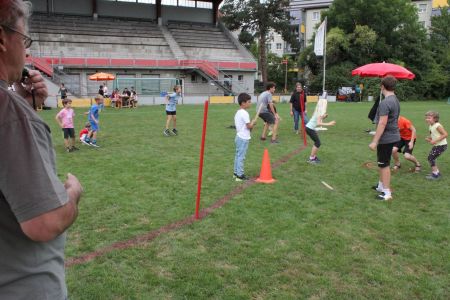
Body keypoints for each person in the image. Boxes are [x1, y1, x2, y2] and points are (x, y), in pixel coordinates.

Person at [0, 1, 83, 298]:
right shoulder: (8, 112)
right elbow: (44, 223)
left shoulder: (12, 107)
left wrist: (21, 101)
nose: (27, 52)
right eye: (24, 40)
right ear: (2, 39)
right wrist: (72, 193)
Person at [369, 75, 400, 201]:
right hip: (392, 136)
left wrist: (374, 141)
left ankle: (387, 193)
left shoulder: (386, 102)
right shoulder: (395, 99)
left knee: (384, 164)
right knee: (382, 163)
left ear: (382, 86)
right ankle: (381, 186)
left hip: (386, 138)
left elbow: (382, 123)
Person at [234, 93, 256, 181]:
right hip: (243, 138)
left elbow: (246, 126)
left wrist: (251, 124)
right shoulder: (244, 113)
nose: (250, 103)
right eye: (249, 102)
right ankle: (240, 175)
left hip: (239, 137)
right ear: (243, 103)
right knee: (241, 157)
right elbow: (249, 127)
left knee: (238, 155)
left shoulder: (238, 112)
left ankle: (236, 173)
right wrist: (253, 123)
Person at [424, 111, 448, 180]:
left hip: (441, 145)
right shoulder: (431, 126)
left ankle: (435, 175)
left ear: (435, 119)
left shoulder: (437, 126)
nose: (427, 119)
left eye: (429, 118)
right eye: (426, 118)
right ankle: (437, 173)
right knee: (431, 158)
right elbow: (435, 135)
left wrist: (435, 141)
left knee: (431, 158)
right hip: (438, 145)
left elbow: (445, 134)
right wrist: (430, 138)